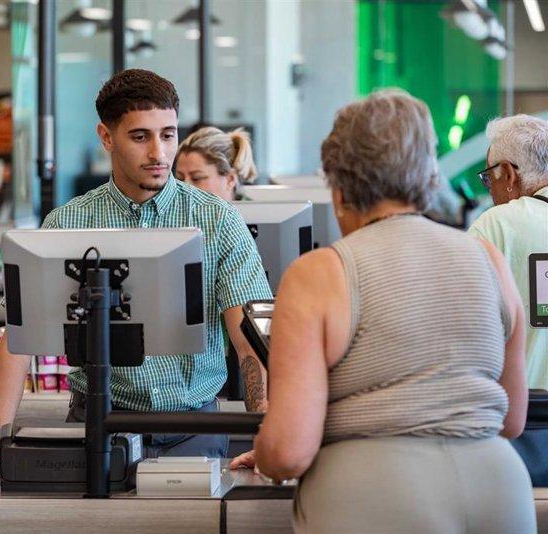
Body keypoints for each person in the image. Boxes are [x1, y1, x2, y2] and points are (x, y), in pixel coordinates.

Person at [230, 89, 535, 533]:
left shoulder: (319, 274)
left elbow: (289, 453)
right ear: (429, 174)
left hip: (374, 495)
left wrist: (272, 448)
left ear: (338, 187)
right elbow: (511, 419)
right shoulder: (489, 260)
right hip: (500, 491)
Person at [0, 69, 272, 471]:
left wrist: (266, 430)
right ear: (107, 138)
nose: (159, 153)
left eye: (168, 135)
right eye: (140, 137)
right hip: (97, 427)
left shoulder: (218, 220)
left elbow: (249, 339)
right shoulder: (66, 223)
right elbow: (18, 339)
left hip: (194, 428)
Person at [469, 114, 548, 389]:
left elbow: (465, 327)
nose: (491, 192)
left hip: (524, 408)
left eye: (488, 178)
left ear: (508, 173)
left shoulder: (496, 225)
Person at [175, 126, 257, 201]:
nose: (184, 188)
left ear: (230, 179)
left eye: (197, 178)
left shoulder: (258, 211)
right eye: (180, 179)